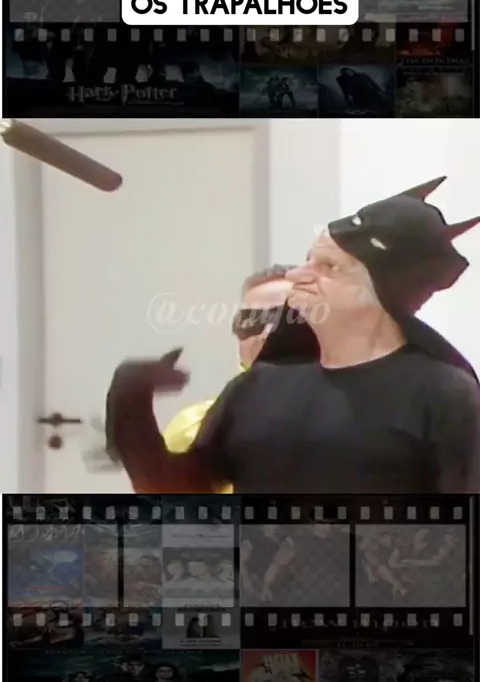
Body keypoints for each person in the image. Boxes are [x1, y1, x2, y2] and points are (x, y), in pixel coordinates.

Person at [106, 177, 480, 494]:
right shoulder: (256, 387)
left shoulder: (443, 394)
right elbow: (177, 490)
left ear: (384, 289)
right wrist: (130, 399)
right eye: (308, 259)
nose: (298, 276)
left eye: (328, 266)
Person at [104, 264, 292, 492]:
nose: (267, 333)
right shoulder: (198, 424)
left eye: (285, 320)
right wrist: (131, 408)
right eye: (251, 321)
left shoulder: (336, 405)